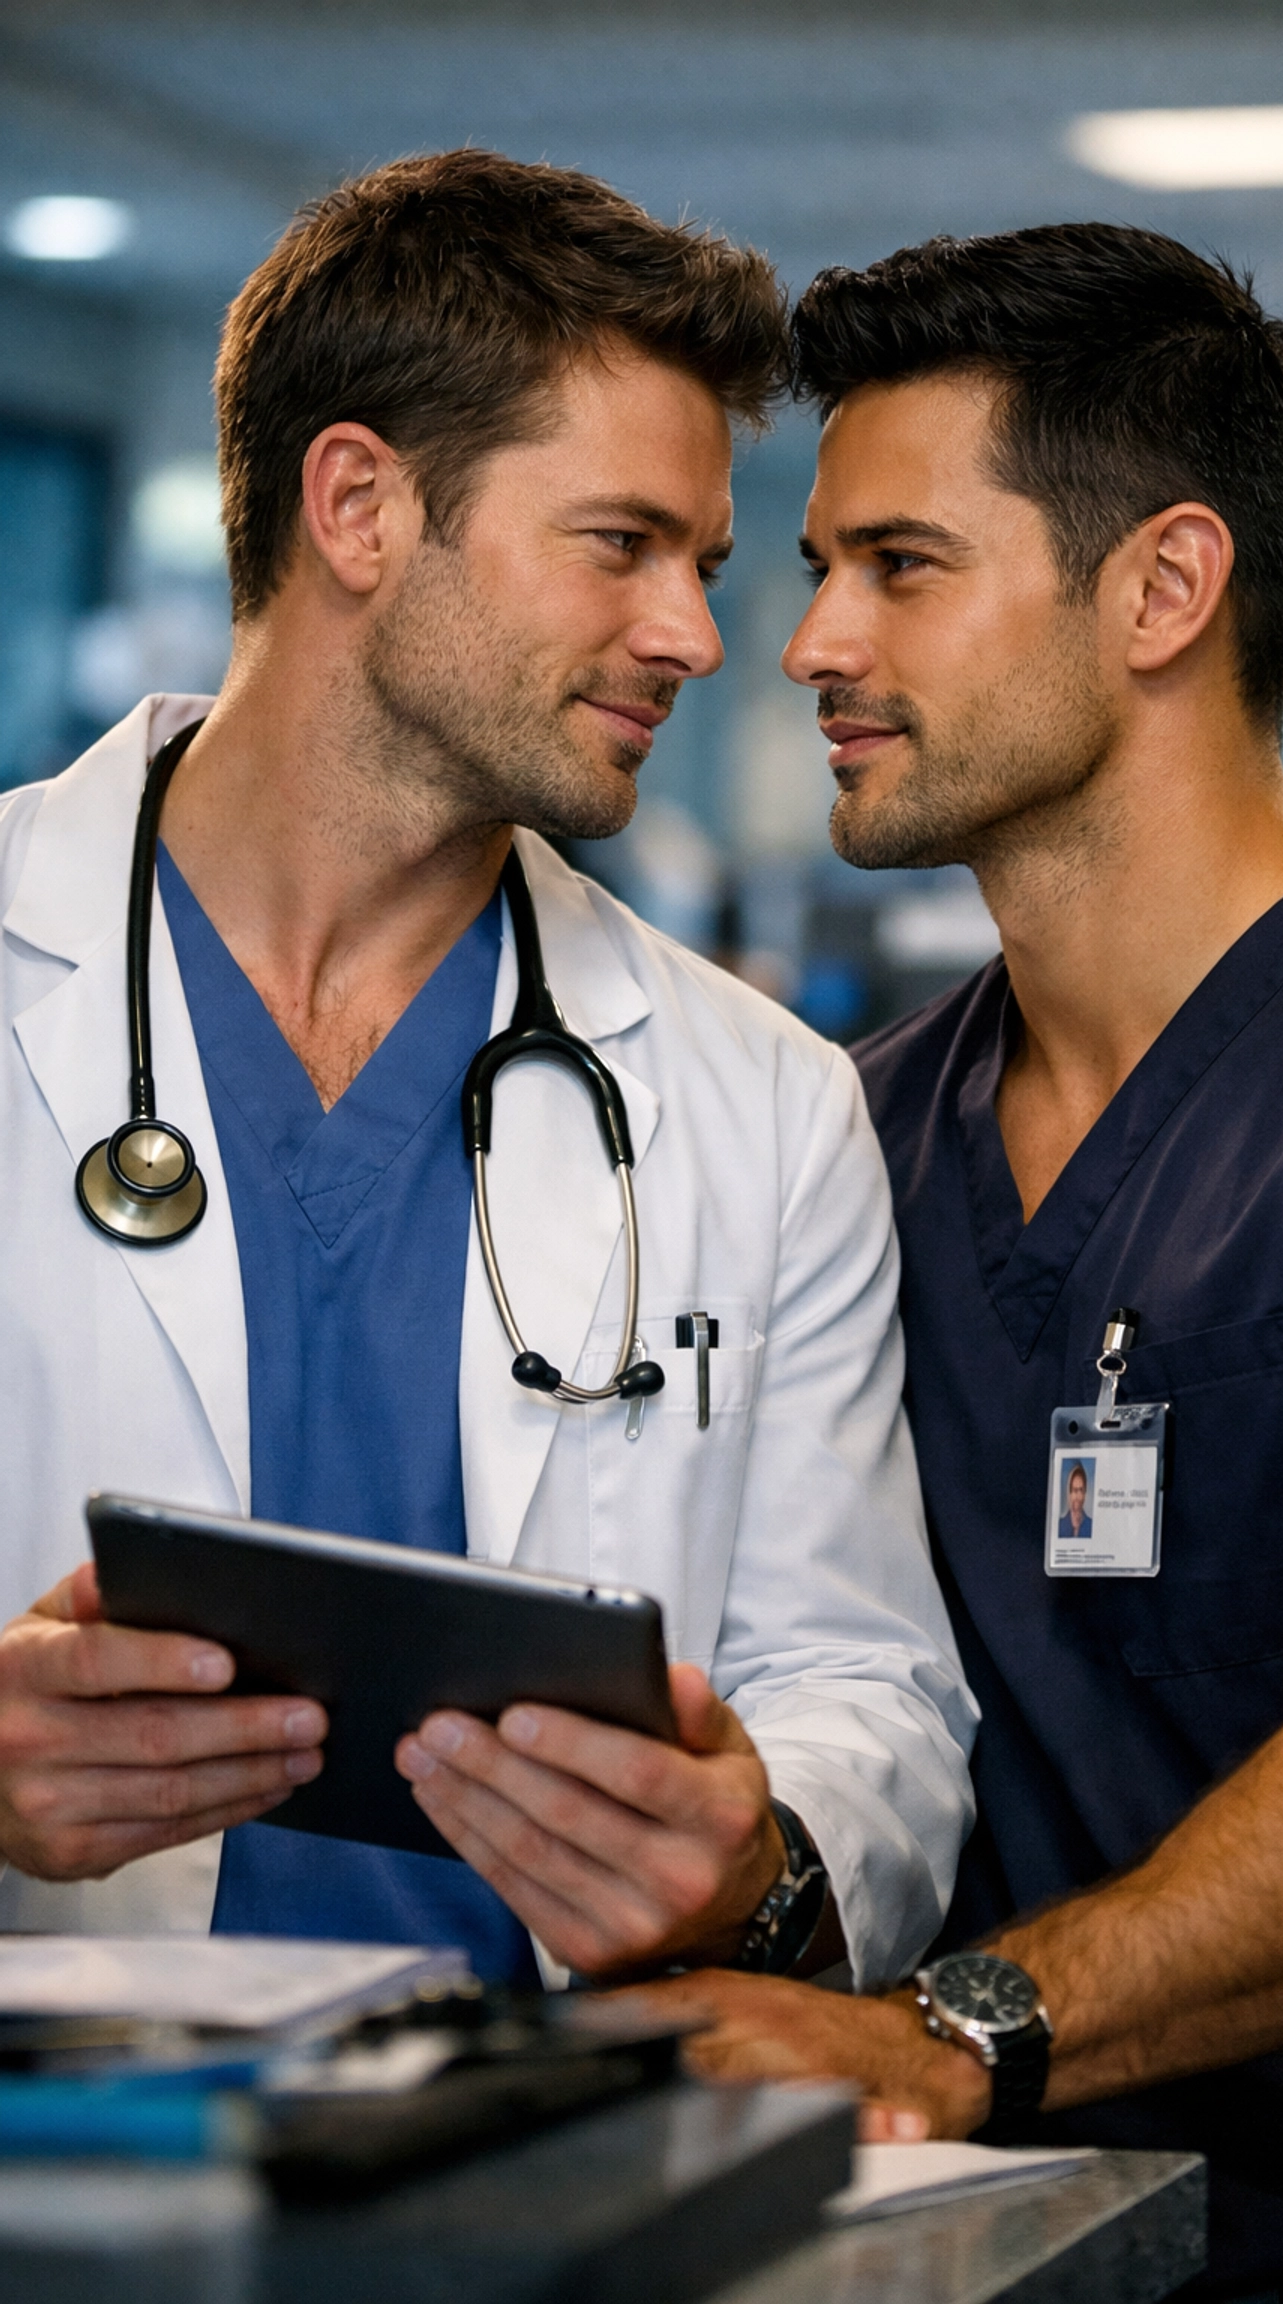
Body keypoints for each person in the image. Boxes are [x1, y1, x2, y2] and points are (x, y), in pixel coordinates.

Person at [639, 225, 1283, 2300]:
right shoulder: (854, 1132)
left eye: (902, 565)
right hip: (952, 2245)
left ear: (1162, 587)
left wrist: (959, 2032)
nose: (812, 642)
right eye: (819, 569)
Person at [0, 151, 976, 1997]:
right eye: (621, 544)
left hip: (558, 2128)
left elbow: (863, 1683)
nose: (698, 636)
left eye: (703, 563)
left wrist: (759, 1859)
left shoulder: (765, 1103)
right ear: (360, 506)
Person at [1057, 1463, 1091, 1546]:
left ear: (1085, 1494)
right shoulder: (1059, 1526)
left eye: (1081, 1490)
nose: (1078, 1496)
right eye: (1075, 1490)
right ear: (1069, 1494)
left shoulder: (1091, 1526)